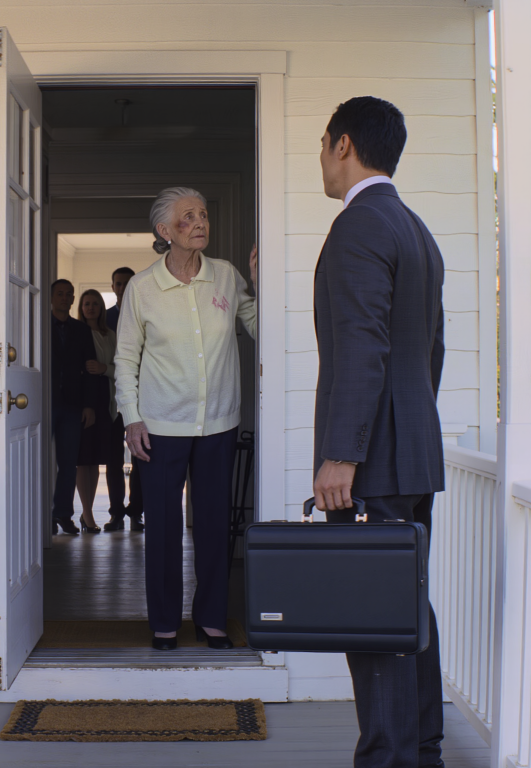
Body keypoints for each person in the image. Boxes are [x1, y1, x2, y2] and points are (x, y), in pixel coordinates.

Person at [312, 96, 446, 768]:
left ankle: (392, 759)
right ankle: (421, 750)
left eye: (322, 146)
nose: (321, 160)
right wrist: (409, 427)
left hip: (373, 463)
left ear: (343, 145)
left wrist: (343, 454)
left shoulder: (359, 225)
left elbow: (363, 345)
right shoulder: (414, 228)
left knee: (374, 621)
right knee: (407, 609)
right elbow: (431, 353)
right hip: (412, 453)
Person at [115, 187, 257, 651]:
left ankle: (212, 617)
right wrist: (132, 418)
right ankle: (164, 622)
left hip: (218, 422)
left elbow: (262, 327)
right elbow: (125, 360)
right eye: (188, 217)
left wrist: (263, 285)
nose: (200, 223)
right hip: (159, 426)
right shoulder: (142, 288)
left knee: (214, 525)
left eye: (203, 214)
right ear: (164, 231)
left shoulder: (226, 277)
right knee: (162, 528)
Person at [50, 278, 97, 535]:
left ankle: (63, 514)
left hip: (72, 405)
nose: (64, 298)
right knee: (41, 461)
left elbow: (90, 369)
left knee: (68, 462)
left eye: (69, 294)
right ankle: (43, 514)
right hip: (44, 404)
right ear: (51, 297)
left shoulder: (81, 330)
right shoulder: (38, 325)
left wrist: (88, 405)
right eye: (60, 293)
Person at [103, 266, 144, 533]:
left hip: (140, 396)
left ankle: (136, 512)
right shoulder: (103, 318)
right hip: (109, 399)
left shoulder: (144, 312)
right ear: (113, 286)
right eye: (118, 283)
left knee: (140, 457)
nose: (122, 288)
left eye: (127, 283)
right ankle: (116, 512)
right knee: (113, 460)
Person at [75, 289, 117, 533]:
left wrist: (104, 368)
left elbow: (119, 366)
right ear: (81, 308)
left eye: (94, 304)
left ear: (101, 308)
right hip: (85, 401)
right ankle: (88, 514)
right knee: (83, 460)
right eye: (86, 304)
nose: (90, 308)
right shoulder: (78, 333)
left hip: (106, 400)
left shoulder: (110, 334)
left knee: (95, 461)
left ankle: (86, 512)